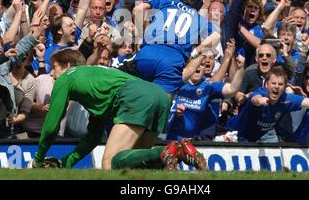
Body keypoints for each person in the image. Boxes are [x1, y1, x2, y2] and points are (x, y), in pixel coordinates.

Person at [30, 49, 207, 170]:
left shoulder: (66, 78)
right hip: (160, 97)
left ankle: (168, 150)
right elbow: (93, 137)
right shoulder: (93, 81)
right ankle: (180, 151)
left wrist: (38, 159)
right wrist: (66, 162)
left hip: (136, 96)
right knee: (139, 165)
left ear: (68, 66)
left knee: (109, 163)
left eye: (54, 68)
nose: (52, 74)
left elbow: (52, 125)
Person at [226, 66, 309, 143]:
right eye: (273, 83)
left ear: (285, 87)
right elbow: (254, 99)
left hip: (263, 136)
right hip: (237, 133)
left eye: (280, 85)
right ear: (266, 85)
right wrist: (261, 101)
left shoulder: (287, 99)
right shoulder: (260, 93)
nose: (276, 87)